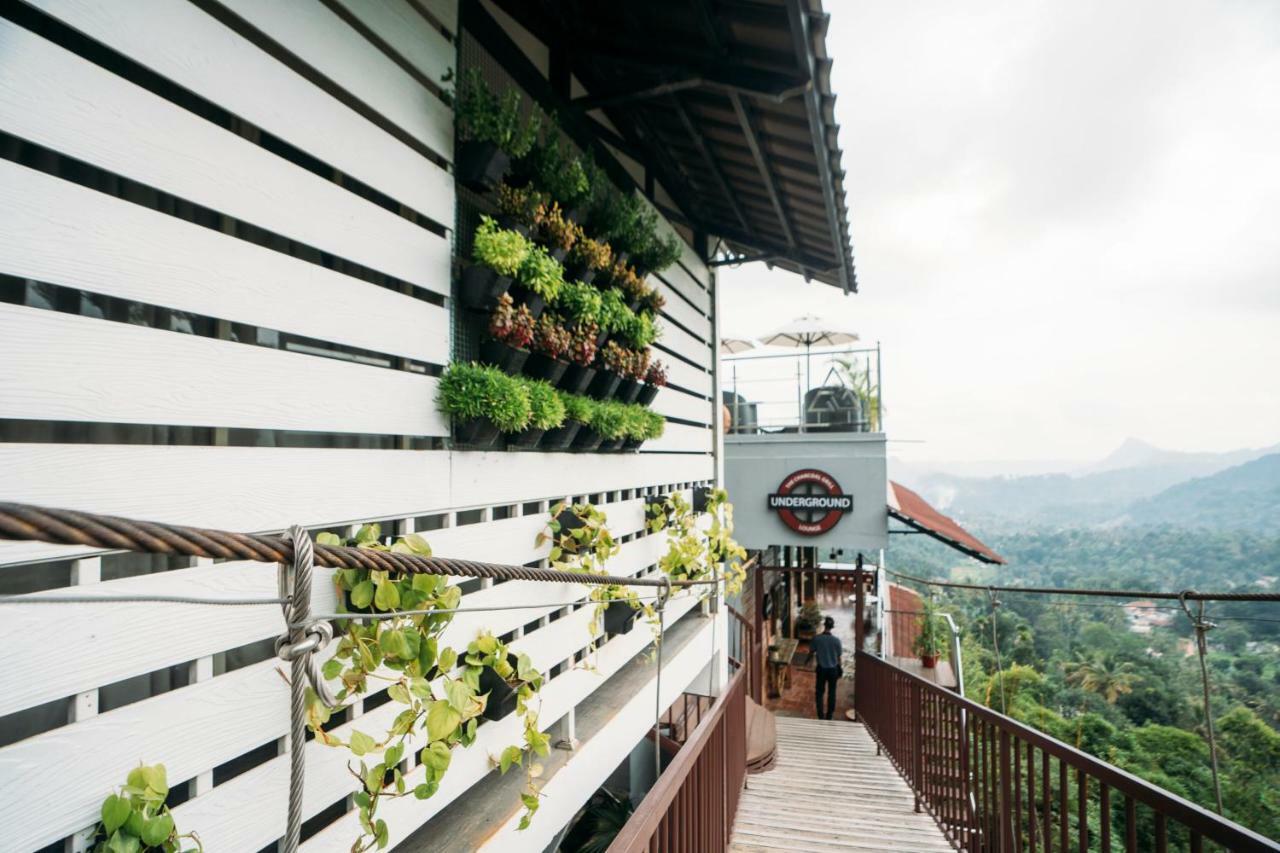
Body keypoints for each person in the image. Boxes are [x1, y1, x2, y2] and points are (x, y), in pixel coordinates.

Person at [811, 615, 843, 720]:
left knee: (819, 693)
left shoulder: (817, 639)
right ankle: (829, 715)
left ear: (824, 625)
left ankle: (820, 715)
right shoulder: (837, 641)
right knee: (832, 693)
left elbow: (811, 651)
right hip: (833, 670)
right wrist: (840, 669)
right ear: (832, 627)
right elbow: (839, 658)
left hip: (821, 669)